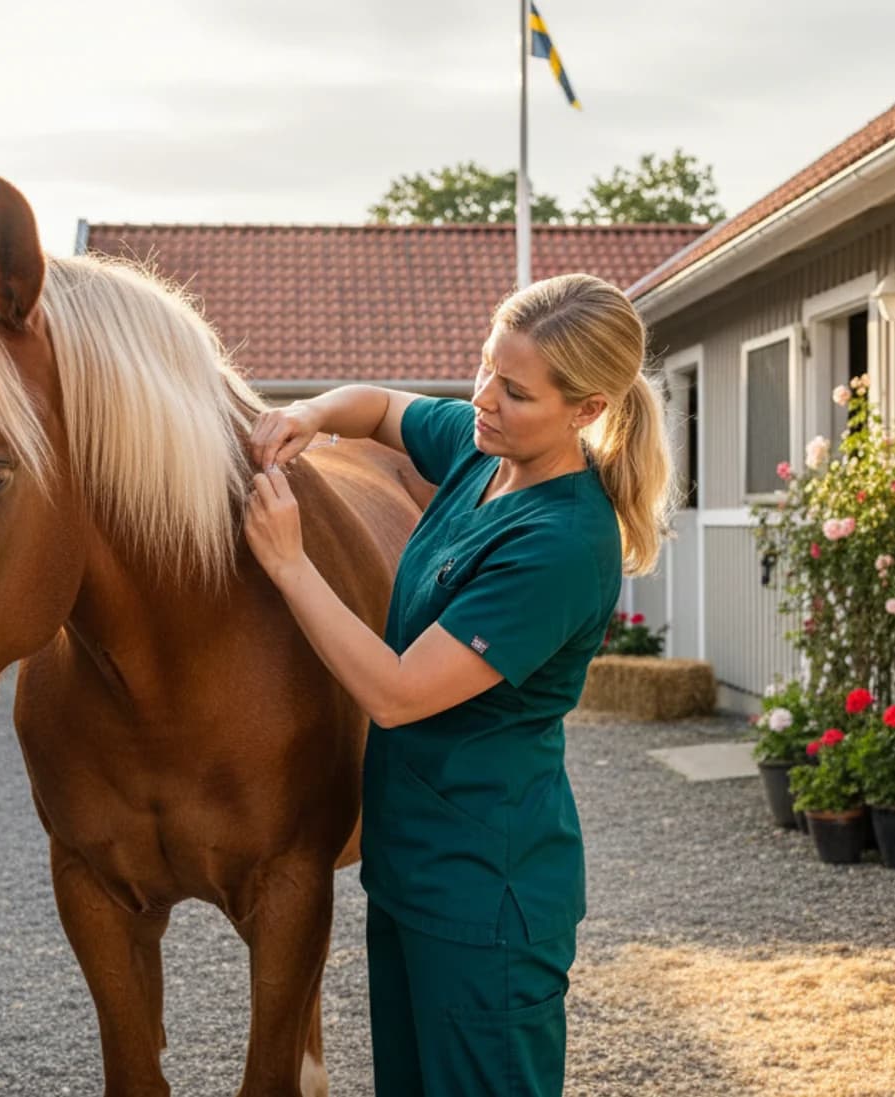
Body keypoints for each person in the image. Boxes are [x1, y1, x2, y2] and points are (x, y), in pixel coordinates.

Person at [241, 273, 673, 1096]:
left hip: (487, 901)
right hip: (410, 871)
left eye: (514, 391)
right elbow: (373, 407)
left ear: (585, 411)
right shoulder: (486, 453)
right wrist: (307, 415)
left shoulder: (561, 542)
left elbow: (398, 692)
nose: (483, 397)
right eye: (483, 367)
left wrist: (289, 563)